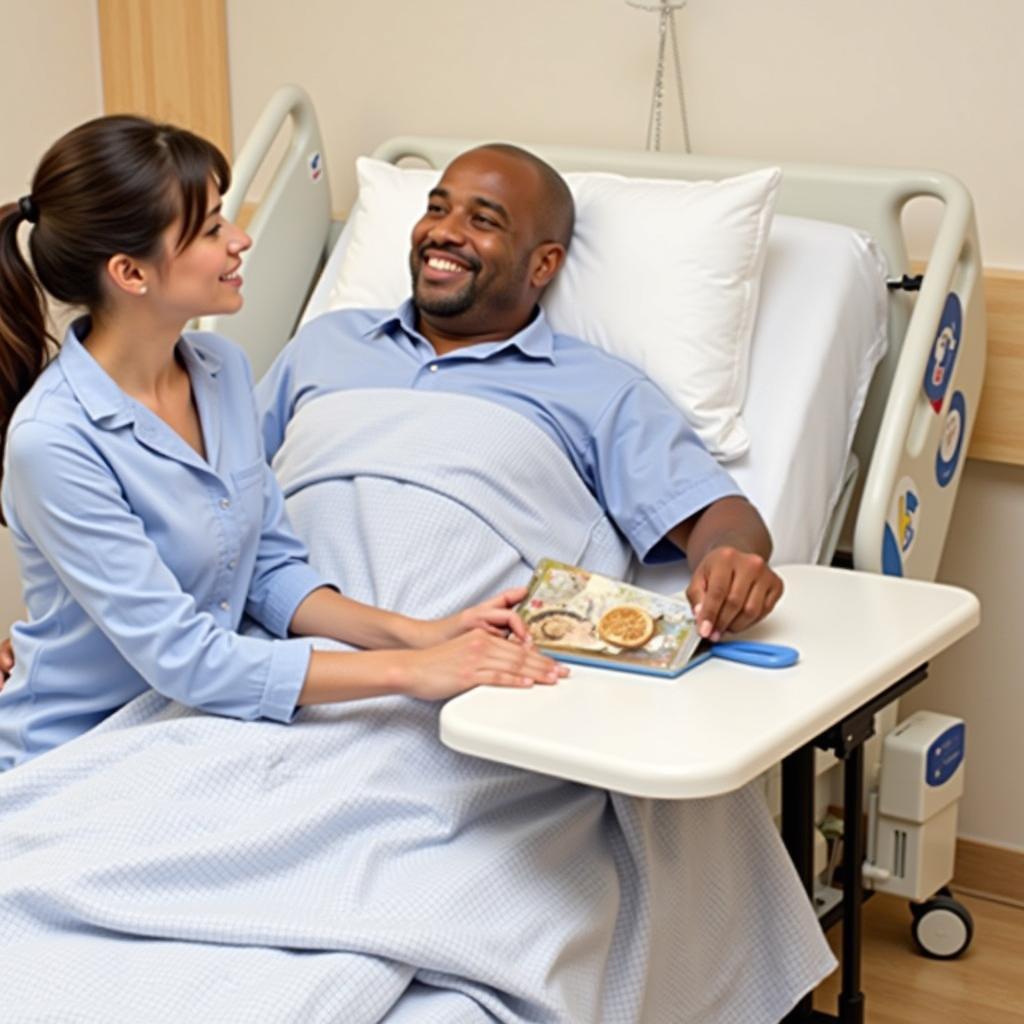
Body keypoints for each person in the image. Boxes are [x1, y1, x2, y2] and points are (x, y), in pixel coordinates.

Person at [0, 118, 565, 771]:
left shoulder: (220, 370)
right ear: (131, 272)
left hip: (196, 716)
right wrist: (413, 669)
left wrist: (425, 632)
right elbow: (186, 660)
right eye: (212, 229)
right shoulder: (56, 442)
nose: (240, 240)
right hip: (82, 745)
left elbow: (267, 569)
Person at [258, 143, 785, 636]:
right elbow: (214, 483)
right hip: (267, 636)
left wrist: (731, 559)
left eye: (483, 221)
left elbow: (717, 515)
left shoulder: (599, 390)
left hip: (453, 660)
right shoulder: (325, 343)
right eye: (437, 209)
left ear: (544, 264)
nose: (443, 232)